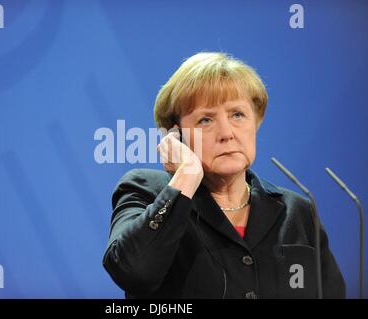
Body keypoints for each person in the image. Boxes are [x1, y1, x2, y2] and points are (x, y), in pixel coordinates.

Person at [102, 52, 346, 299]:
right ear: (176, 134)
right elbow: (133, 273)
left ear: (256, 122)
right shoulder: (145, 191)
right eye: (206, 119)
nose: (227, 133)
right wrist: (186, 174)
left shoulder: (298, 212)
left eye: (237, 115)